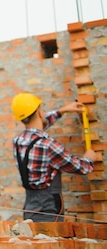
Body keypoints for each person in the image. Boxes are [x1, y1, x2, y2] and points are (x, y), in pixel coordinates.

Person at [11, 92, 96, 222]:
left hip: (30, 207)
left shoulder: (18, 141)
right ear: (40, 113)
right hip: (49, 209)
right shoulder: (48, 145)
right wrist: (89, 159)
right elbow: (81, 167)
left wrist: (62, 111)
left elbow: (38, 127)